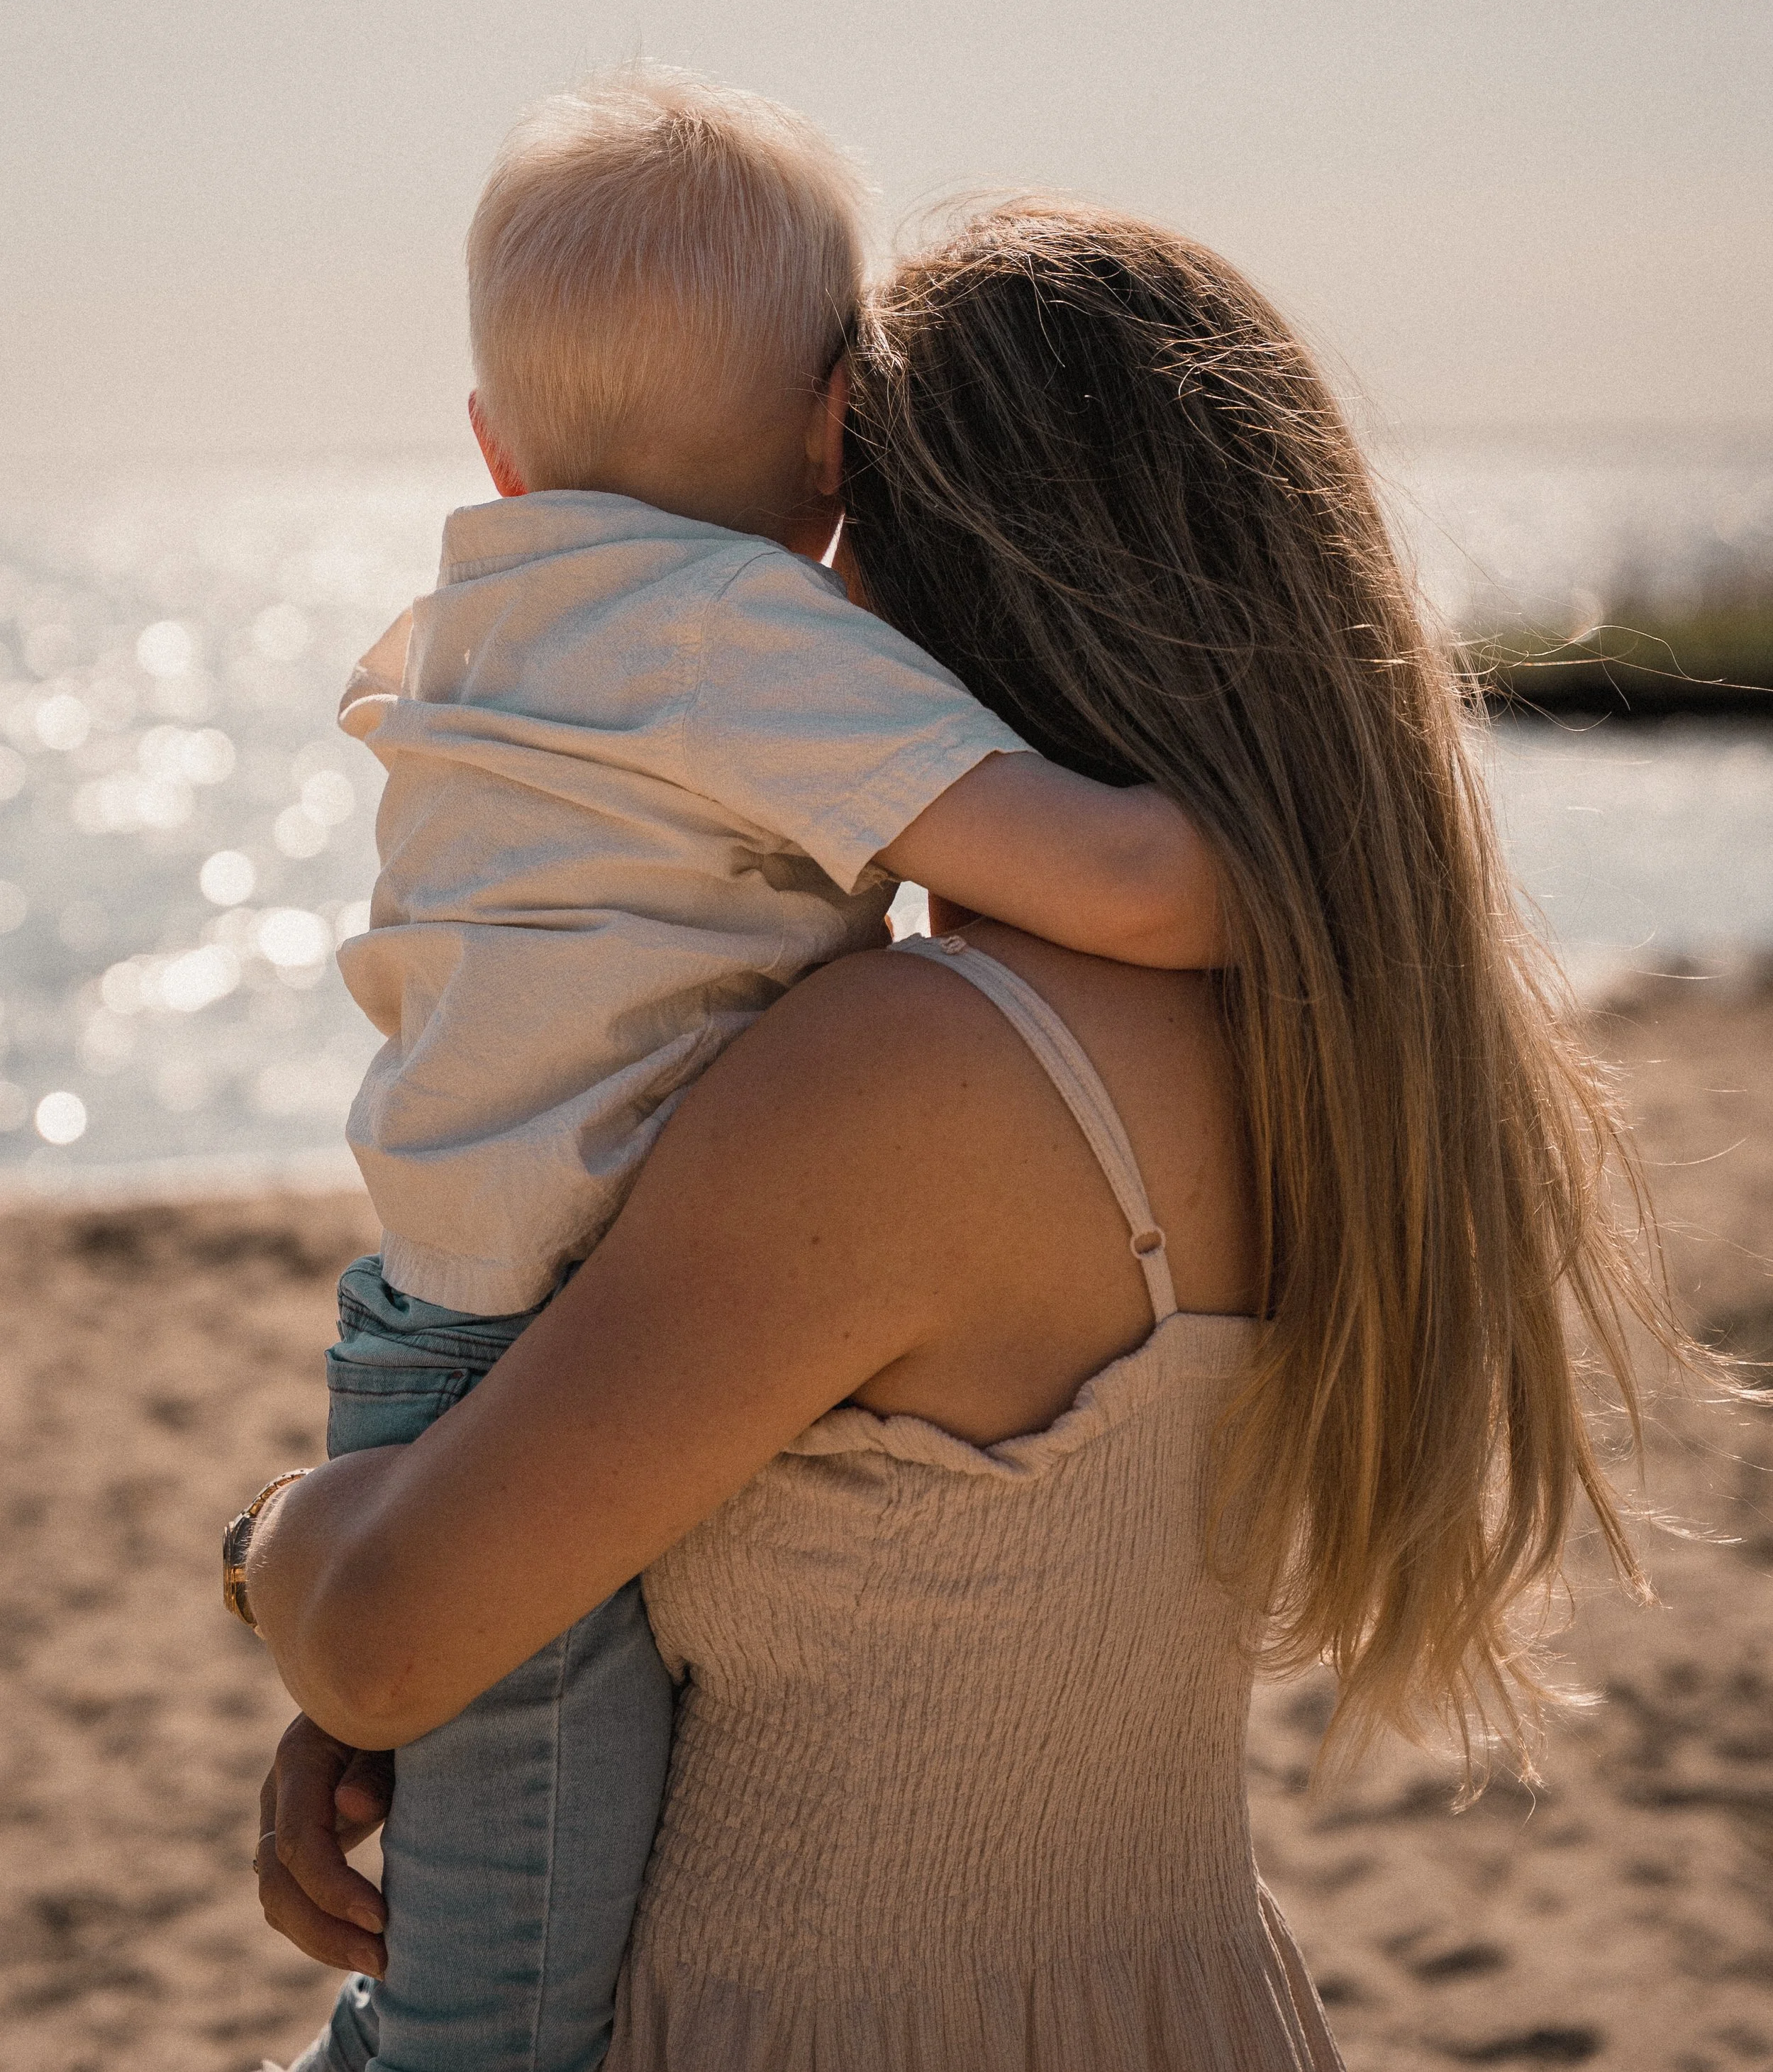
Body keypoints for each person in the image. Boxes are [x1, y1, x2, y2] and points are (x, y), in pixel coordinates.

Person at [248, 202, 1684, 2071]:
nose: (801, 607)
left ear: (937, 574)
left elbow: (381, 1631)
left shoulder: (915, 1074)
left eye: (827, 540)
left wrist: (282, 1545)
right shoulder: (1335, 1036)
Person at [238, 78, 1225, 2072]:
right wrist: (1315, 836)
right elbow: (1132, 881)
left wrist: (295, 1552)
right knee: (494, 2011)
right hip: (527, 1353)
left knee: (476, 1975)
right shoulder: (739, 642)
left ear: (494, 446)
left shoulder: (482, 626)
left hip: (443, 1334)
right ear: (839, 424)